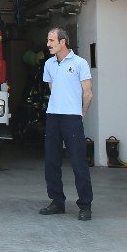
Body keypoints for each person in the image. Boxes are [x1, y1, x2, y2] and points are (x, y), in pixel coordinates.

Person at [38, 28, 94, 221]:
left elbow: (87, 93)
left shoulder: (80, 63)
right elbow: (54, 90)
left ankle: (85, 205)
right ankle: (57, 202)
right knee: (51, 162)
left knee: (79, 163)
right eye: (48, 40)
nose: (48, 44)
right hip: (53, 116)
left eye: (51, 40)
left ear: (63, 42)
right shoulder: (49, 64)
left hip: (72, 117)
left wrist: (81, 115)